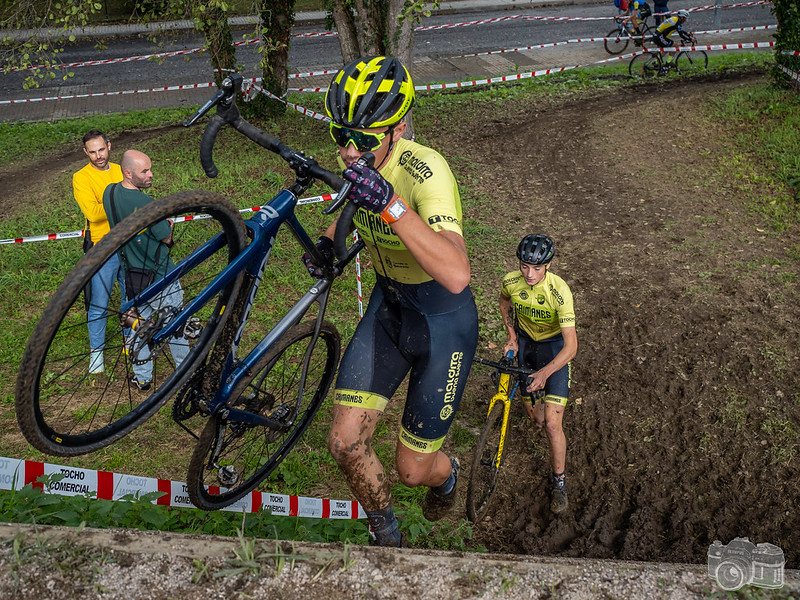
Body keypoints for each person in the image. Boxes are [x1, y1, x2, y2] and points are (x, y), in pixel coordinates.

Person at [309, 55, 479, 547]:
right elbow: (350, 212)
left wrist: (390, 203)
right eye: (340, 136)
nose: (347, 151)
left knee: (412, 470)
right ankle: (387, 532)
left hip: (442, 322)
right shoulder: (361, 161)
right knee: (344, 444)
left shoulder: (425, 170)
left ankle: (445, 477)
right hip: (389, 308)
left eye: (363, 140)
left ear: (398, 129)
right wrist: (328, 240)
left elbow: (455, 272)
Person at [499, 234, 577, 515]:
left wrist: (545, 373)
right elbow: (504, 301)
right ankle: (541, 405)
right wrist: (511, 335)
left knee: (552, 426)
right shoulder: (511, 281)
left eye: (536, 268)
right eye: (523, 266)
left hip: (554, 352)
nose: (529, 274)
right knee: (538, 420)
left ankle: (559, 482)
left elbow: (571, 347)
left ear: (549, 265)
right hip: (526, 347)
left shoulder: (560, 292)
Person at [103, 149, 189, 391]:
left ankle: (142, 379)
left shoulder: (109, 193)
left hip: (132, 276)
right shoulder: (146, 204)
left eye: (150, 168)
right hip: (161, 277)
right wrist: (168, 227)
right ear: (128, 173)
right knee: (176, 328)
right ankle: (186, 373)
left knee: (137, 328)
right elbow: (166, 238)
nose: (151, 175)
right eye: (145, 171)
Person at [72, 130, 124, 374]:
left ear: (109, 146)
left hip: (130, 241)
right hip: (102, 245)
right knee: (99, 302)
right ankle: (96, 354)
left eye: (101, 150)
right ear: (85, 152)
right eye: (92, 152)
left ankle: (132, 342)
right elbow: (92, 213)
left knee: (133, 296)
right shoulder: (81, 178)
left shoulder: (122, 170)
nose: (98, 156)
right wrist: (123, 202)